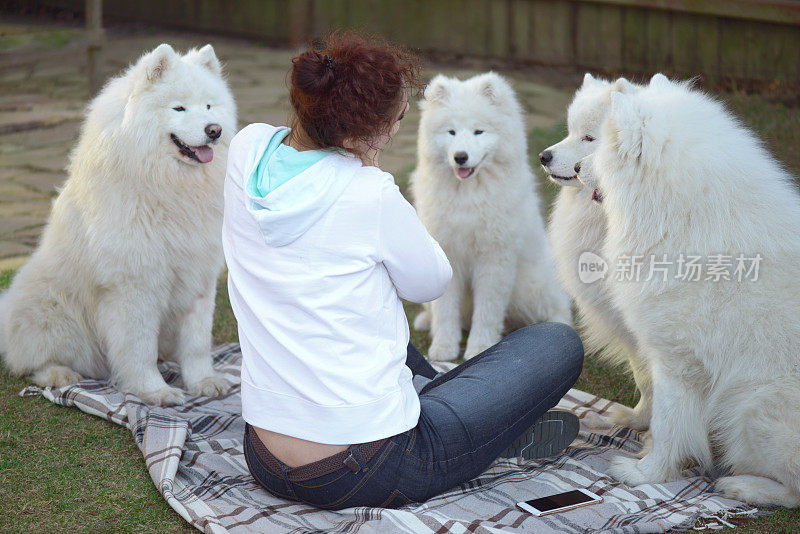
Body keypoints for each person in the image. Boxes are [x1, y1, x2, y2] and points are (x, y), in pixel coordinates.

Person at [222, 31, 584, 510]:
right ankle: (487, 432)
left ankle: (470, 418)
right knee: (557, 342)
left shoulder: (245, 149)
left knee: (366, 314)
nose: (397, 131)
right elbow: (432, 281)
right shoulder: (370, 193)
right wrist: (368, 172)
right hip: (367, 466)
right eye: (396, 121)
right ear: (367, 131)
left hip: (265, 454)